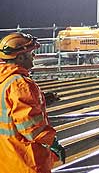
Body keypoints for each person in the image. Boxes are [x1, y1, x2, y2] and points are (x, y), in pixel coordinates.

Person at [0, 32, 66, 173]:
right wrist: (52, 142)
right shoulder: (20, 84)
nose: (34, 56)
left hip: (7, 157)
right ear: (21, 57)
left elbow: (8, 109)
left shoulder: (4, 80)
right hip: (26, 161)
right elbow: (30, 126)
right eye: (31, 53)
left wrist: (40, 99)